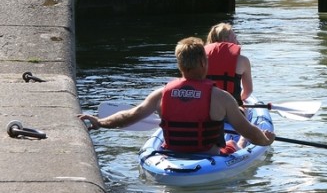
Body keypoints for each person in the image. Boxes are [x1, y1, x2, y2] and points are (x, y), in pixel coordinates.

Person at [78, 37, 275, 155]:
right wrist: (266, 141)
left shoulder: (161, 94)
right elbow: (248, 131)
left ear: (180, 65)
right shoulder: (221, 98)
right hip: (209, 157)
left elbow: (130, 115)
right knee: (234, 142)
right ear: (203, 64)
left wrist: (100, 122)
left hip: (171, 155)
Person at [204, 23, 253, 105]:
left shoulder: (201, 59)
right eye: (234, 38)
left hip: (207, 106)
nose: (238, 42)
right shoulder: (242, 60)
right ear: (225, 40)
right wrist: (240, 99)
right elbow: (248, 91)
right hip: (232, 106)